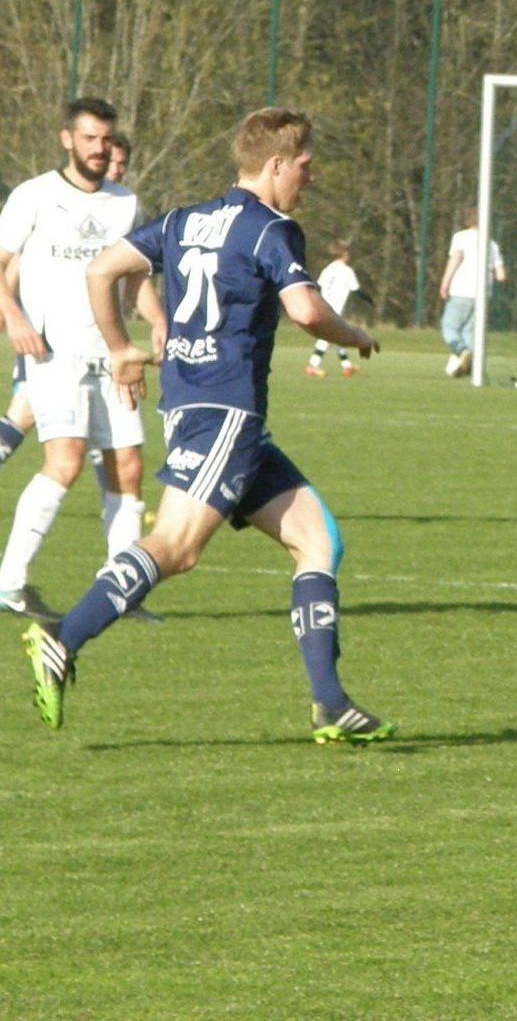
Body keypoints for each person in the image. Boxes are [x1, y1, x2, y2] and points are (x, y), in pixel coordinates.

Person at [21, 107, 397, 743]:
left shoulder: (182, 219)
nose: (310, 175)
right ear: (276, 163)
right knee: (176, 547)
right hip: (226, 412)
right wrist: (353, 333)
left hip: (206, 411)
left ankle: (330, 703)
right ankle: (63, 637)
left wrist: (120, 346)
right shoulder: (271, 229)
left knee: (318, 540)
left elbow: (101, 270)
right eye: (305, 164)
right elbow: (305, 309)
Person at [0, 98, 161, 622]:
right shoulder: (35, 196)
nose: (100, 148)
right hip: (53, 354)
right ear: (67, 139)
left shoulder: (124, 202)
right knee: (65, 462)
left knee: (128, 469)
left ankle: (120, 590)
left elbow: (135, 279)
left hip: (112, 356)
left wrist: (157, 323)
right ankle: (10, 583)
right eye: (90, 138)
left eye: (107, 139)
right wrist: (16, 319)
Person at [439, 206, 506, 378]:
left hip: (462, 290)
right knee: (470, 331)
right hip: (483, 295)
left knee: (449, 327)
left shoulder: (461, 237)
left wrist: (445, 283)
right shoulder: (492, 244)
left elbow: (456, 259)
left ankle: (462, 352)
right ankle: (474, 367)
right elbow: (501, 275)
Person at [306, 240, 370, 378]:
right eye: (348, 252)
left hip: (323, 307)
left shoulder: (328, 269)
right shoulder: (346, 271)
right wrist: (369, 300)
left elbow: (317, 286)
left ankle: (347, 367)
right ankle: (312, 366)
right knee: (328, 337)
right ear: (344, 254)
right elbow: (356, 290)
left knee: (336, 337)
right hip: (334, 310)